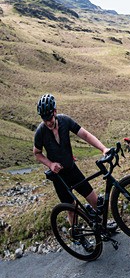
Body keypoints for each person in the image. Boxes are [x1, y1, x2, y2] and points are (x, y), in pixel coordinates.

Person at [33, 94, 115, 241]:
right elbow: (37, 153)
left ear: (55, 112)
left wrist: (103, 149)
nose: (48, 122)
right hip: (59, 177)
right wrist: (50, 164)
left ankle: (103, 226)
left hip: (72, 170)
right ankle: (78, 237)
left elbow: (85, 135)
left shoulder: (65, 121)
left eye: (50, 118)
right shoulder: (41, 132)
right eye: (44, 119)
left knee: (94, 200)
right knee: (72, 210)